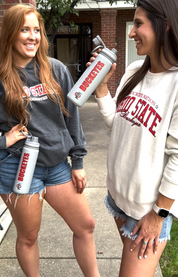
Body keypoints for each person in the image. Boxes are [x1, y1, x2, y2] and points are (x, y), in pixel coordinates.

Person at [0, 4, 100, 277]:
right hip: (17, 166)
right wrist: (3, 140)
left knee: (85, 225)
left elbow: (72, 116)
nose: (32, 37)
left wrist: (77, 161)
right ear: (10, 33)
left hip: (57, 164)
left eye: (36, 30)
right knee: (29, 236)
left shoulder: (54, 69)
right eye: (24, 30)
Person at [88, 0, 178, 276]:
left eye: (138, 24)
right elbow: (116, 126)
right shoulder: (134, 72)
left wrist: (158, 215)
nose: (131, 33)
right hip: (118, 199)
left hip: (147, 213)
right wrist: (101, 87)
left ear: (165, 25)